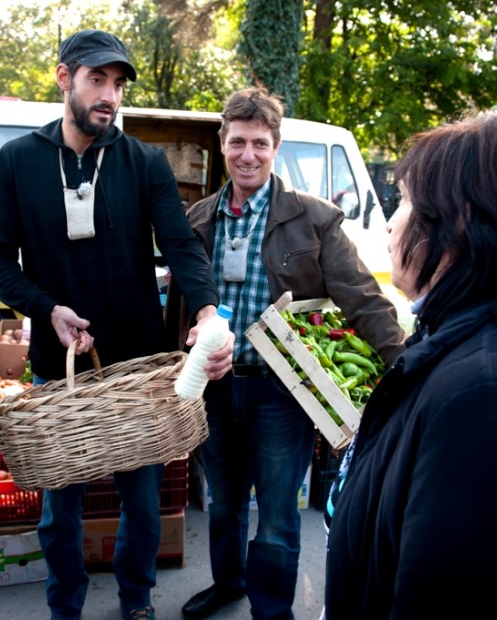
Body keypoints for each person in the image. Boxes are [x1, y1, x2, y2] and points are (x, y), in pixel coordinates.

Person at [0, 29, 233, 620]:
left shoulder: (144, 163)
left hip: (137, 370)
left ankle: (136, 602)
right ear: (64, 78)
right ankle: (65, 607)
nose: (110, 96)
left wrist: (205, 310)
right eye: (98, 80)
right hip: (59, 370)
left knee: (143, 508)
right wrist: (49, 309)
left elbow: (180, 243)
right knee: (59, 511)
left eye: (117, 84)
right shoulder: (15, 162)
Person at [165, 87, 407, 620]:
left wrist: (408, 365)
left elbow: (362, 298)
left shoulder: (314, 219)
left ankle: (271, 609)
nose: (246, 155)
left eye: (259, 143)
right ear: (222, 144)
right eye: (236, 143)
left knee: (276, 511)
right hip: (214, 385)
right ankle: (228, 583)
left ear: (275, 148)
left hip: (283, 387)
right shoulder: (200, 219)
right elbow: (178, 301)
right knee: (224, 502)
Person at [322, 110, 497, 619]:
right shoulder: (443, 342)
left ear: (458, 220)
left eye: (406, 202)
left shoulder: (476, 395)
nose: (394, 221)